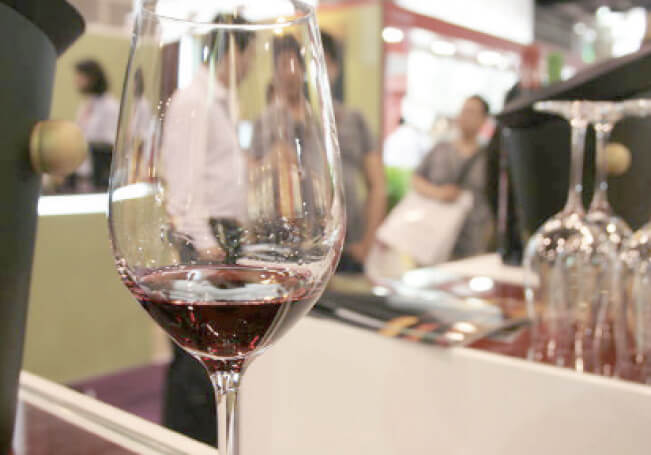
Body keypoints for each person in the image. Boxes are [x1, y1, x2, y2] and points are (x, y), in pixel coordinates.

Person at [159, 16, 255, 445]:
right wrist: (206, 245)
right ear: (232, 50)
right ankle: (184, 443)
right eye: (249, 56)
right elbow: (183, 182)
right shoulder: (194, 100)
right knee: (198, 355)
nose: (250, 68)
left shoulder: (220, 101)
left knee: (219, 353)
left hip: (223, 234)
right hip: (207, 239)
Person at [320, 31, 387, 273]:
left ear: (334, 67)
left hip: (349, 243)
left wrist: (367, 244)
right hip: (300, 246)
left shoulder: (354, 119)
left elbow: (377, 185)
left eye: (323, 63)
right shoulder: (276, 121)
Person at [412, 95, 494, 259]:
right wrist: (438, 193)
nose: (465, 116)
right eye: (464, 111)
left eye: (472, 112)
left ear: (484, 120)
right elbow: (416, 179)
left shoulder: (489, 156)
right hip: (435, 233)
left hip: (473, 238)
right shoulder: (441, 149)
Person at [73, 59, 119, 190]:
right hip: (81, 172)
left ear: (92, 78)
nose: (76, 81)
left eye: (80, 76)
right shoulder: (86, 105)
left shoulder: (110, 106)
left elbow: (110, 141)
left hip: (99, 174)